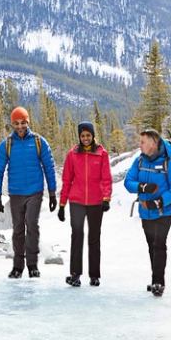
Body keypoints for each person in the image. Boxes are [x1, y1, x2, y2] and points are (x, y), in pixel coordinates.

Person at [0, 106, 57, 278]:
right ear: (12, 124)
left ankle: (33, 265)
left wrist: (52, 193)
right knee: (18, 229)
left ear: (28, 122)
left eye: (23, 123)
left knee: (32, 226)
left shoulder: (39, 142)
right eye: (16, 123)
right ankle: (18, 266)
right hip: (16, 193)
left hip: (35, 191)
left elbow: (49, 167)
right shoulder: (7, 145)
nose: (20, 126)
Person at [121, 127, 171, 296]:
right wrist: (142, 187)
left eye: (142, 142)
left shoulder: (168, 163)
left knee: (159, 244)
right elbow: (128, 182)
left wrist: (159, 202)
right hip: (145, 212)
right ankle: (155, 279)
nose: (139, 145)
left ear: (153, 143)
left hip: (164, 212)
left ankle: (158, 282)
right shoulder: (139, 161)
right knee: (151, 246)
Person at [56, 121, 111, 287]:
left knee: (94, 238)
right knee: (77, 236)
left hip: (96, 202)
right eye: (82, 135)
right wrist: (62, 204)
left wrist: (106, 199)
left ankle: (94, 276)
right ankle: (75, 274)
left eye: (88, 135)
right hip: (77, 201)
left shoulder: (102, 154)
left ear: (93, 136)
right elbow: (67, 180)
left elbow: (106, 178)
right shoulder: (72, 154)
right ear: (79, 137)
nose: (85, 138)